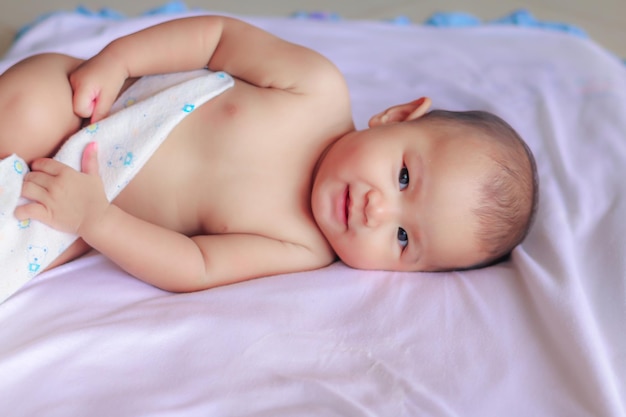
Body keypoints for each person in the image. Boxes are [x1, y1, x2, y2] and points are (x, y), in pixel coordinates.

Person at [0, 15, 538, 293]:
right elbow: (216, 38)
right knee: (23, 108)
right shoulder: (316, 90)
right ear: (396, 117)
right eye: (402, 177)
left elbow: (196, 265)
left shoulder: (302, 247)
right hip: (91, 110)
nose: (378, 210)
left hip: (85, 207)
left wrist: (96, 220)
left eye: (402, 239)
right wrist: (117, 60)